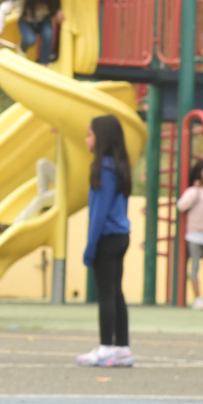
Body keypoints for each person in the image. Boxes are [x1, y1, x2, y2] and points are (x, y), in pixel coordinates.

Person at [78, 115, 135, 366]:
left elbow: (98, 214)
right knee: (117, 293)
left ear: (100, 139)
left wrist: (90, 249)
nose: (86, 139)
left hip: (107, 238)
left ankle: (105, 348)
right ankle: (122, 348)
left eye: (89, 134)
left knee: (106, 294)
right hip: (121, 236)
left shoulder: (103, 169)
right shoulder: (120, 166)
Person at [0, 0, 62, 65]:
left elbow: (55, 5)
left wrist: (57, 11)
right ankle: (22, 48)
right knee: (30, 39)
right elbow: (3, 9)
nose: (40, 6)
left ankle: (44, 63)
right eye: (38, 4)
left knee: (48, 34)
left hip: (43, 20)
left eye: (43, 4)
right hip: (26, 21)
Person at [177, 158, 203, 310]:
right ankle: (198, 297)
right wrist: (195, 191)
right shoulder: (194, 191)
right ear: (199, 174)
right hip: (194, 234)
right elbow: (181, 205)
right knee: (194, 265)